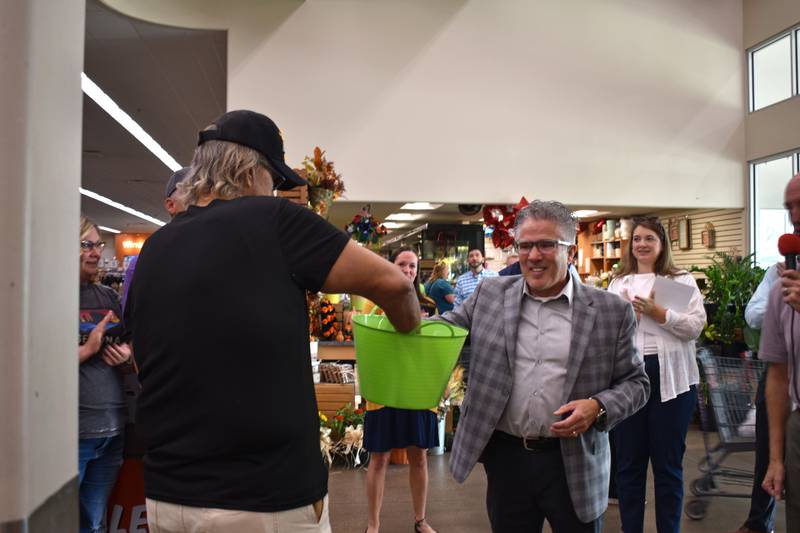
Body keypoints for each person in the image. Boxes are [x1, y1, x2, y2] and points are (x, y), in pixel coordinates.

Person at [125, 110, 420, 533]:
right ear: (250, 172)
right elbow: (394, 285)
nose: (276, 192)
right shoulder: (276, 221)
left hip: (167, 498)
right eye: (275, 181)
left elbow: (141, 358)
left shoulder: (155, 248)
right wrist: (410, 331)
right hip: (263, 498)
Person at [437, 200, 649, 532]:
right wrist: (396, 308)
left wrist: (597, 406)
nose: (533, 255)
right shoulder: (490, 294)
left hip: (575, 463)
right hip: (507, 459)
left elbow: (637, 383)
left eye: (546, 244)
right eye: (525, 245)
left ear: (571, 251)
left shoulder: (611, 311)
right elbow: (442, 333)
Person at [607, 215, 706, 533]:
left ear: (662, 244)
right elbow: (606, 336)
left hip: (672, 380)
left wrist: (660, 314)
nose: (642, 244)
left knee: (668, 466)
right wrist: (628, 317)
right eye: (636, 239)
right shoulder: (618, 283)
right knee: (628, 465)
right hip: (628, 380)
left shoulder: (681, 280)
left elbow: (694, 327)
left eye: (649, 238)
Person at [364, 247, 439, 533]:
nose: (407, 270)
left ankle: (420, 520)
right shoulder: (375, 305)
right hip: (385, 389)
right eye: (402, 264)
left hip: (418, 388)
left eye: (412, 266)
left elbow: (435, 348)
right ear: (391, 265)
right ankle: (373, 525)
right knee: (379, 457)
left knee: (419, 456)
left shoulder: (430, 306)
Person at [78, 215, 133, 533]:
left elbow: (128, 355)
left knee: (95, 524)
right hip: (73, 432)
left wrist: (125, 358)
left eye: (98, 244)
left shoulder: (108, 297)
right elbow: (34, 362)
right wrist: (87, 349)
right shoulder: (48, 297)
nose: (96, 252)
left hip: (112, 430)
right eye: (86, 245)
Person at [760, 173, 800, 533]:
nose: (796, 215)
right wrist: (776, 458)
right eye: (790, 206)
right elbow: (778, 375)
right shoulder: (781, 291)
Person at [120, 166, 190, 311]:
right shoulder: (142, 261)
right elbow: (130, 316)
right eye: (192, 194)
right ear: (171, 205)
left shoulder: (218, 252)